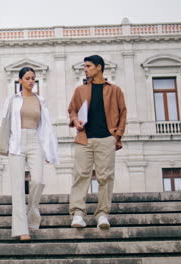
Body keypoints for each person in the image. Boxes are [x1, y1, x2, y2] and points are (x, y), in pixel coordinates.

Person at [0, 67, 59, 240]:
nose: (30, 81)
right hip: (16, 142)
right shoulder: (13, 100)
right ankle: (22, 230)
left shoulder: (40, 100)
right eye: (27, 78)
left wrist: (49, 150)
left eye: (33, 78)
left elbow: (46, 127)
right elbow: (3, 122)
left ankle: (32, 213)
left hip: (35, 140)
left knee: (38, 180)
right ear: (20, 80)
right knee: (18, 187)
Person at [67, 55, 127, 229]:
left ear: (99, 67)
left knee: (105, 177)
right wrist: (75, 120)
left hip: (106, 139)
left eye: (88, 66)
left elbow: (123, 113)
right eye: (84, 66)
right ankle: (78, 213)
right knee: (80, 175)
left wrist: (116, 136)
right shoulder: (80, 90)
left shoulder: (115, 90)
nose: (85, 69)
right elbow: (72, 110)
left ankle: (102, 214)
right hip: (84, 139)